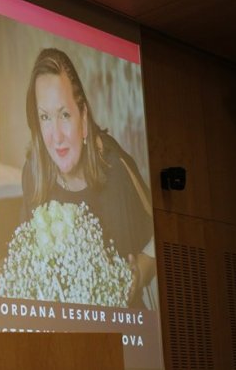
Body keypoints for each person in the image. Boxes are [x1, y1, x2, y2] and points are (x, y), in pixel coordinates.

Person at [21, 48, 155, 307]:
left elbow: (159, 236)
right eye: (45, 117)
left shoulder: (115, 168)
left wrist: (140, 272)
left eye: (65, 115)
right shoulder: (33, 172)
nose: (56, 136)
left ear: (83, 117)